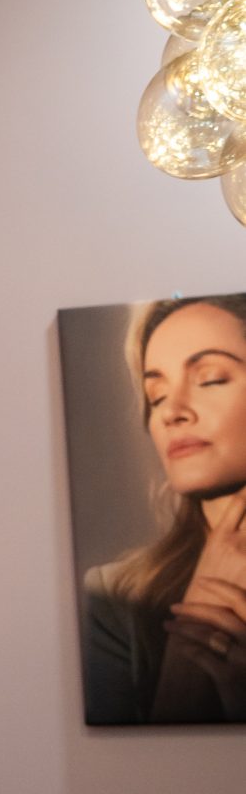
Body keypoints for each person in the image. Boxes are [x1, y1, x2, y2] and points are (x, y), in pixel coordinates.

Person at [82, 294, 246, 724]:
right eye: (156, 396)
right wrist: (184, 681)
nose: (172, 412)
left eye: (210, 379)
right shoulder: (114, 598)